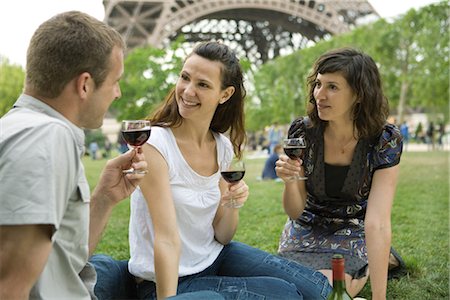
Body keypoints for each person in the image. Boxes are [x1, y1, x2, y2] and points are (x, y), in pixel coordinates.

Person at [122, 41, 331, 299]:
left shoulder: (222, 146)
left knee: (319, 289)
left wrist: (232, 203)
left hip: (215, 257)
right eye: (185, 78)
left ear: (225, 94)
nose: (187, 91)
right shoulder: (156, 145)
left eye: (203, 84)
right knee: (286, 294)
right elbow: (166, 239)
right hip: (167, 281)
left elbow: (223, 235)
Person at [0, 11, 149, 299]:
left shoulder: (17, 125)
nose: (117, 93)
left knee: (111, 267)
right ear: (84, 84)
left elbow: (62, 260)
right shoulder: (48, 139)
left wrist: (104, 198)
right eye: (115, 81)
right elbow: (8, 285)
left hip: (73, 283)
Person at [275, 48, 403, 299]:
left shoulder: (384, 140)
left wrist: (379, 298)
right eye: (318, 84)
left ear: (359, 94)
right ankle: (379, 257)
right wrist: (291, 182)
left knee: (327, 291)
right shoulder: (302, 132)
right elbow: (294, 212)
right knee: (292, 285)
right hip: (307, 225)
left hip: (353, 226)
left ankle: (371, 257)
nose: (319, 95)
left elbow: (376, 221)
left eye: (332, 87)